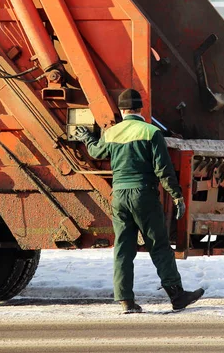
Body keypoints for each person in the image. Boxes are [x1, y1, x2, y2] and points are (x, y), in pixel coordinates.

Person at [75, 89, 204, 314]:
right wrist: (176, 196)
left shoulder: (112, 133)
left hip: (120, 196)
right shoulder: (151, 132)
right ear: (140, 109)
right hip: (143, 195)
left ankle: (125, 300)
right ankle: (177, 296)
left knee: (123, 248)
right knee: (159, 245)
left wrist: (86, 137)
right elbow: (163, 170)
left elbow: (96, 152)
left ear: (122, 110)